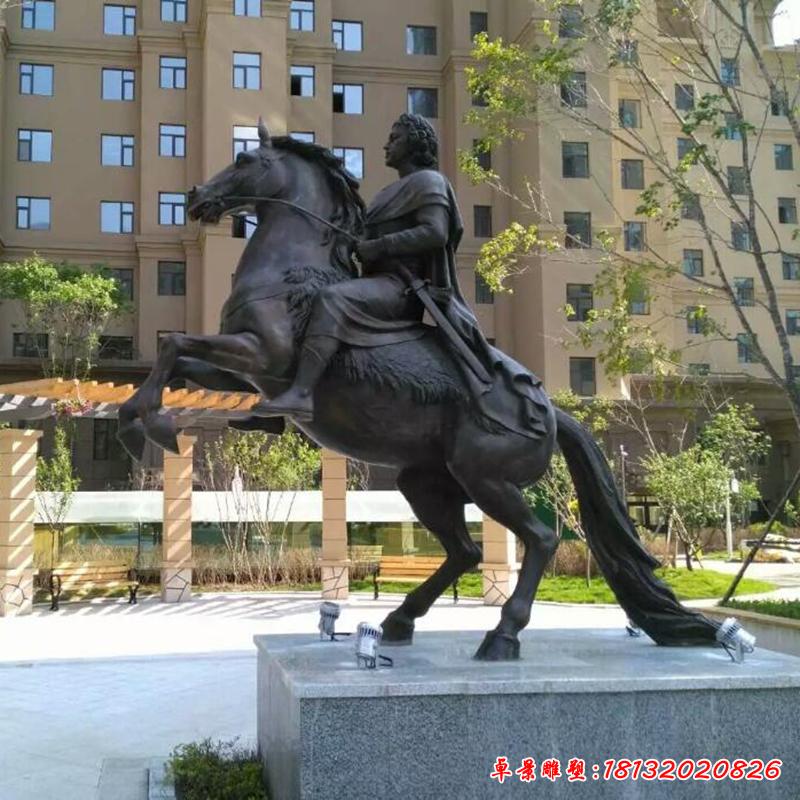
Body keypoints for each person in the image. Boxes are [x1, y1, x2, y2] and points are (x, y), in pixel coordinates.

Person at [255, 113, 550, 439]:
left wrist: (378, 246)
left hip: (401, 289)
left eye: (395, 138)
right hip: (375, 283)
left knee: (332, 298)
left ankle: (301, 393)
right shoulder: (387, 193)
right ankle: (272, 400)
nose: (387, 145)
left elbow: (435, 232)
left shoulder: (429, 182)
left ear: (415, 143)